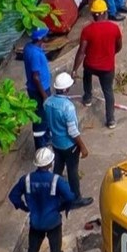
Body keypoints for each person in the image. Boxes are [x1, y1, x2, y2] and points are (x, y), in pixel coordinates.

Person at [9, 147, 79, 252]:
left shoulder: (26, 179)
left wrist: (24, 207)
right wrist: (62, 207)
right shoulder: (57, 180)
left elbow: (13, 196)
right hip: (53, 222)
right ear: (50, 163)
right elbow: (70, 197)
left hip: (35, 223)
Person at [43, 72, 92, 206]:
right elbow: (72, 131)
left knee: (58, 169)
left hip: (56, 143)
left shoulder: (47, 102)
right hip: (69, 145)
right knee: (72, 172)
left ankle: (54, 194)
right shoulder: (67, 106)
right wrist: (82, 146)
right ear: (65, 89)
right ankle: (76, 198)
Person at [74, 0, 122, 128]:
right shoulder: (114, 28)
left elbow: (81, 51)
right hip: (107, 68)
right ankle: (110, 119)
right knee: (108, 92)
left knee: (86, 75)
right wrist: (111, 53)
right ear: (105, 13)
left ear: (93, 15)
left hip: (91, 65)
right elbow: (119, 46)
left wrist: (74, 70)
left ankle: (88, 97)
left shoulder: (87, 30)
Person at [22, 26, 53, 149]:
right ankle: (41, 146)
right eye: (45, 35)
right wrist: (44, 95)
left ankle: (47, 138)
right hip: (40, 90)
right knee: (41, 118)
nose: (47, 36)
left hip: (38, 89)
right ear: (40, 38)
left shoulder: (29, 48)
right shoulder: (35, 54)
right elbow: (35, 77)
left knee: (44, 115)